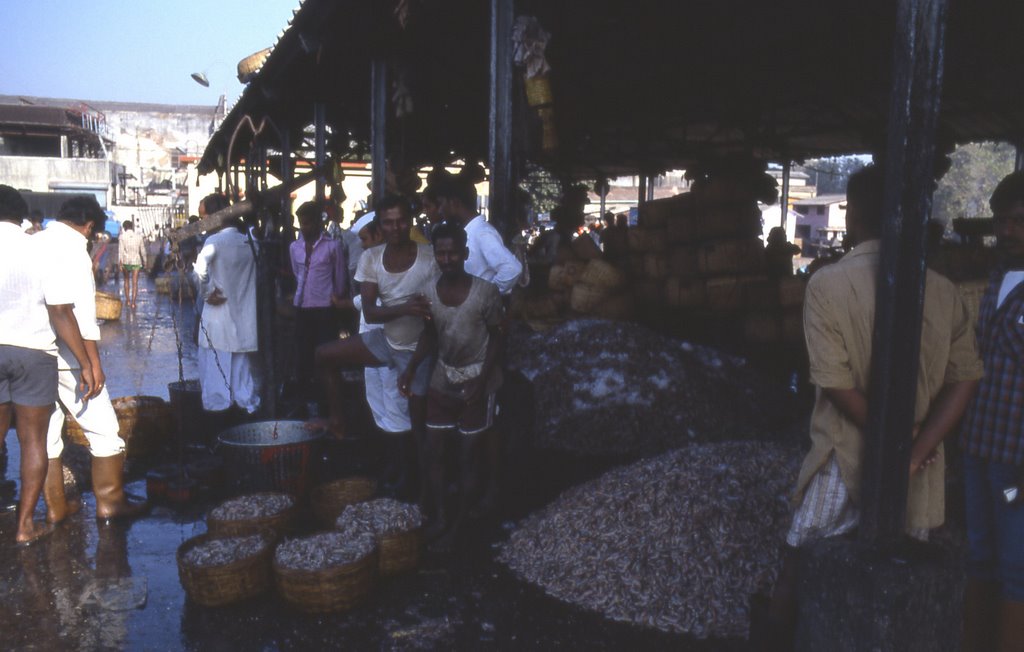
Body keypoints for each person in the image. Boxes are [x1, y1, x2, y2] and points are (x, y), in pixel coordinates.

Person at [757, 166, 983, 646]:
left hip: (842, 458)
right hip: (915, 469)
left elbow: (835, 383)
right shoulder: (943, 291)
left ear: (853, 213)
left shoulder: (827, 284)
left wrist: (890, 444)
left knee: (797, 562)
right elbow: (965, 380)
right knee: (899, 583)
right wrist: (915, 452)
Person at [37, 196, 148, 523]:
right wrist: (92, 364)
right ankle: (111, 504)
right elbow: (81, 316)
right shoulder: (74, 250)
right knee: (104, 430)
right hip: (66, 354)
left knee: (48, 433)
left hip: (32, 352)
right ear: (88, 225)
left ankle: (56, 506)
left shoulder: (36, 242)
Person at [399, 221, 505, 549]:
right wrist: (413, 367)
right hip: (443, 379)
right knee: (435, 452)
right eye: (441, 253)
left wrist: (481, 383)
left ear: (465, 254)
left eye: (453, 253)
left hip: (478, 382)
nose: (447, 259)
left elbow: (499, 337)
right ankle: (442, 517)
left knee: (468, 456)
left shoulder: (485, 293)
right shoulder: (429, 292)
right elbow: (430, 335)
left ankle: (459, 524)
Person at [0, 186, 97, 545]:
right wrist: (85, 362)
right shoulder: (37, 247)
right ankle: (25, 526)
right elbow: (60, 311)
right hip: (34, 353)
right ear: (20, 214)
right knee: (32, 441)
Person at [313, 196, 436, 459]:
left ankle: (415, 478)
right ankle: (337, 422)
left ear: (410, 221)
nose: (396, 228)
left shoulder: (429, 257)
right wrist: (406, 308)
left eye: (401, 221)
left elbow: (435, 316)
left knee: (414, 419)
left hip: (420, 347)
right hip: (385, 339)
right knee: (324, 355)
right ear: (381, 227)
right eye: (389, 223)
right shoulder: (371, 258)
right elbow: (370, 312)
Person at [959, 170, 1024, 651]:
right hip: (977, 449)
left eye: (1018, 222)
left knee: (1015, 566)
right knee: (978, 554)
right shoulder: (996, 277)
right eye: (1002, 221)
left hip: (1014, 464)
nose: (1006, 232)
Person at [349, 213, 416, 495]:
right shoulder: (371, 261)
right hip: (370, 343)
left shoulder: (401, 263)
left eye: (365, 238)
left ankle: (405, 473)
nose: (363, 245)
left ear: (378, 234)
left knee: (395, 404)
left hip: (393, 344)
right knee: (377, 401)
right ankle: (390, 463)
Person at [193, 213, 260, 420]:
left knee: (215, 370)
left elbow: (199, 269)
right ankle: (245, 413)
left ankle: (218, 418)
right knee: (242, 372)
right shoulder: (252, 243)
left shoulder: (214, 241)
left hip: (218, 314)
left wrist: (206, 292)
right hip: (245, 317)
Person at [289, 201, 349, 411]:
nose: (304, 228)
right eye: (301, 223)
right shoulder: (294, 247)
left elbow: (340, 277)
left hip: (325, 309)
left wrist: (337, 299)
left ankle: (327, 405)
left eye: (307, 223)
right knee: (302, 358)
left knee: (325, 357)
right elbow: (297, 274)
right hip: (302, 308)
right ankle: (302, 404)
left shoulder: (333, 246)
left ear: (317, 223)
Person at [434, 175, 522, 295]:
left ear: (454, 203)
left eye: (441, 204)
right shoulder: (465, 230)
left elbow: (512, 268)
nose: (440, 210)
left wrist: (484, 294)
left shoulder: (482, 233)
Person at [118, 220, 146, 309]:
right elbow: (143, 250)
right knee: (135, 282)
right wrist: (145, 261)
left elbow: (120, 251)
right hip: (136, 261)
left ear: (124, 227)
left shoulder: (122, 237)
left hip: (126, 261)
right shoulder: (139, 237)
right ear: (132, 227)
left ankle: (128, 300)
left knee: (126, 280)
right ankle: (134, 303)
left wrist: (120, 262)